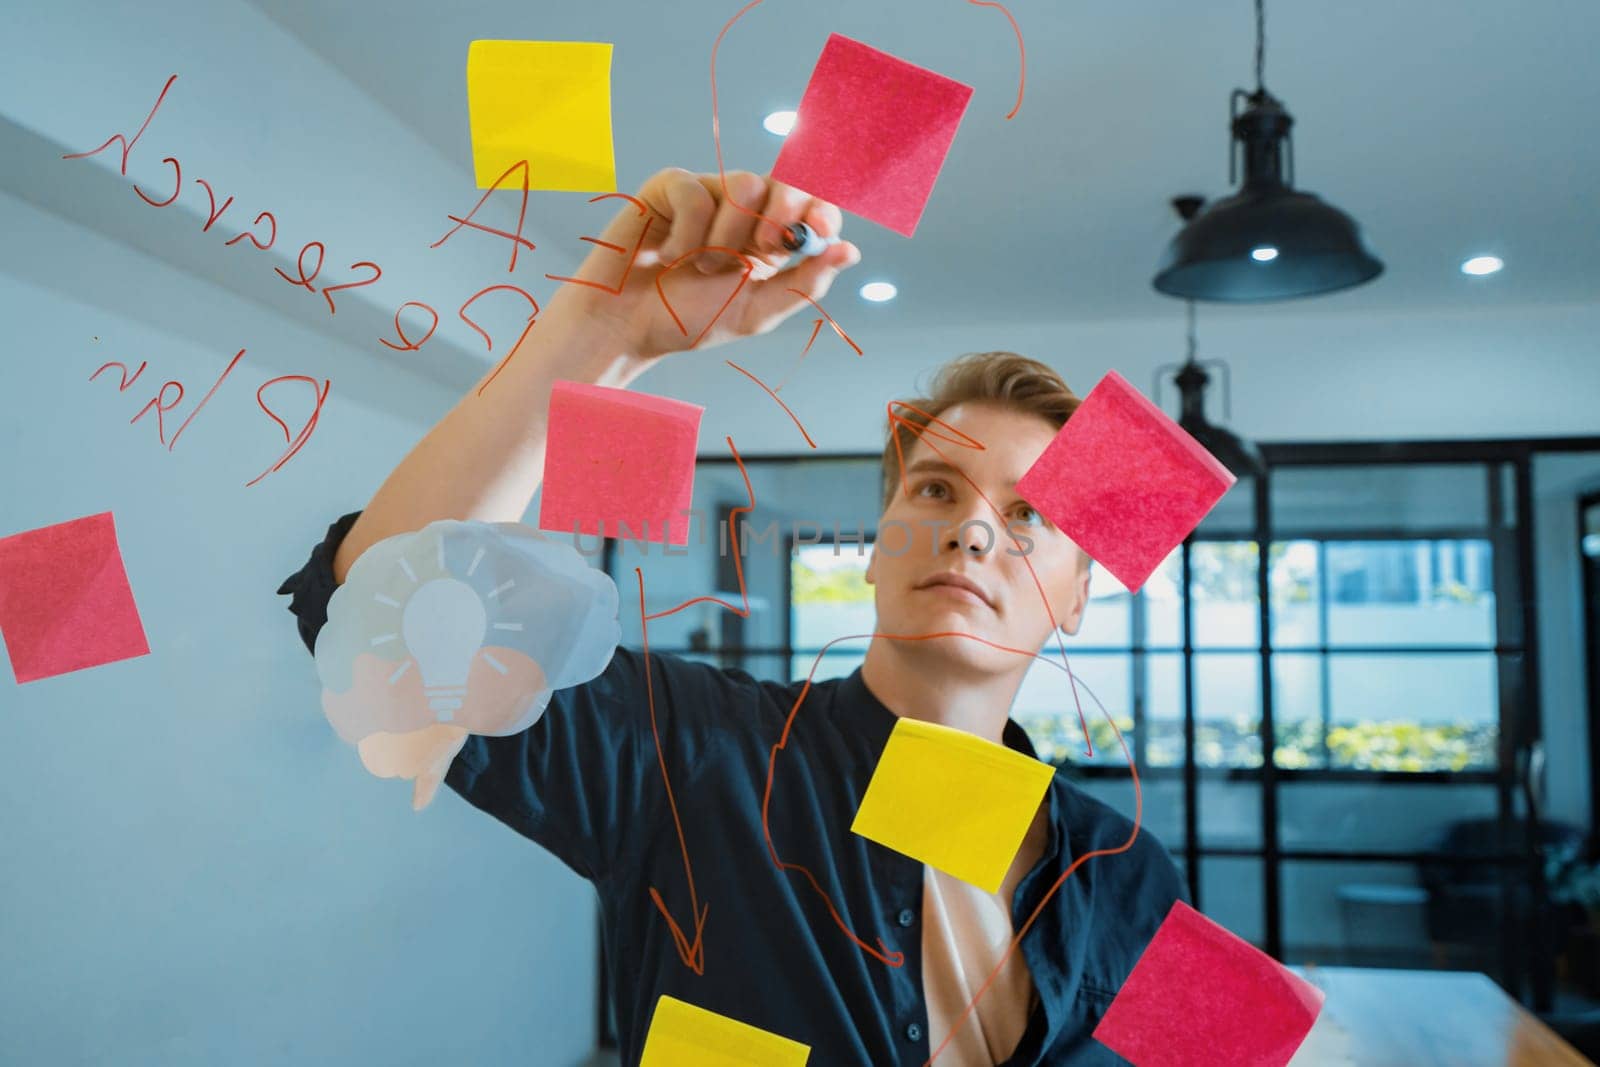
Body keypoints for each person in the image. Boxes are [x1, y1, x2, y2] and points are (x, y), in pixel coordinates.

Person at [278, 167, 1185, 1066]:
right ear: (875, 550)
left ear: (1077, 595)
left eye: (1029, 513)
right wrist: (606, 331)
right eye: (938, 488)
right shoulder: (698, 754)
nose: (973, 530)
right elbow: (376, 613)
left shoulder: (1128, 873)